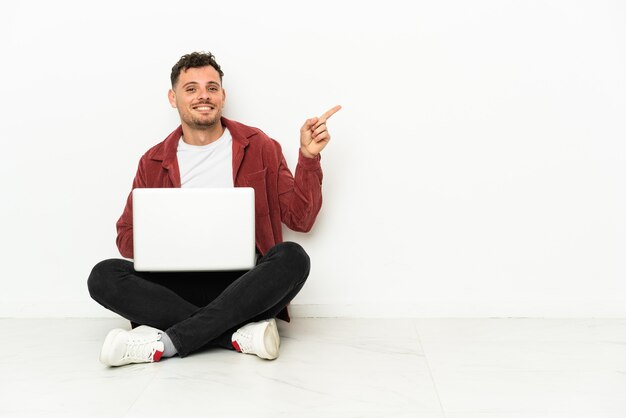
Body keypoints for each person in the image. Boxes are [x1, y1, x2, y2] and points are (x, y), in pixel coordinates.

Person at [87, 51, 340, 367]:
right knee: (103, 275)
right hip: (175, 286)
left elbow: (301, 219)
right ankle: (235, 335)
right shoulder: (152, 160)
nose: (202, 95)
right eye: (191, 88)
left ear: (223, 95)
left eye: (211, 87)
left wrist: (308, 157)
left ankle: (164, 344)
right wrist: (169, 236)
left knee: (293, 257)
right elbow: (126, 238)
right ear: (173, 97)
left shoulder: (260, 145)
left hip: (242, 284)